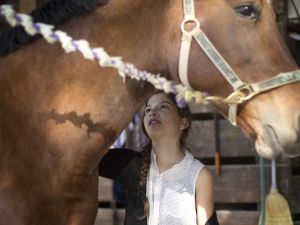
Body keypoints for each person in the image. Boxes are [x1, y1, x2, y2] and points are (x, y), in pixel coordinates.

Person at [99, 90, 219, 225]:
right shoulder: (130, 164)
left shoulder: (199, 175)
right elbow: (86, 157)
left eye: (163, 107)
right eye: (147, 110)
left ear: (183, 122)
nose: (152, 112)